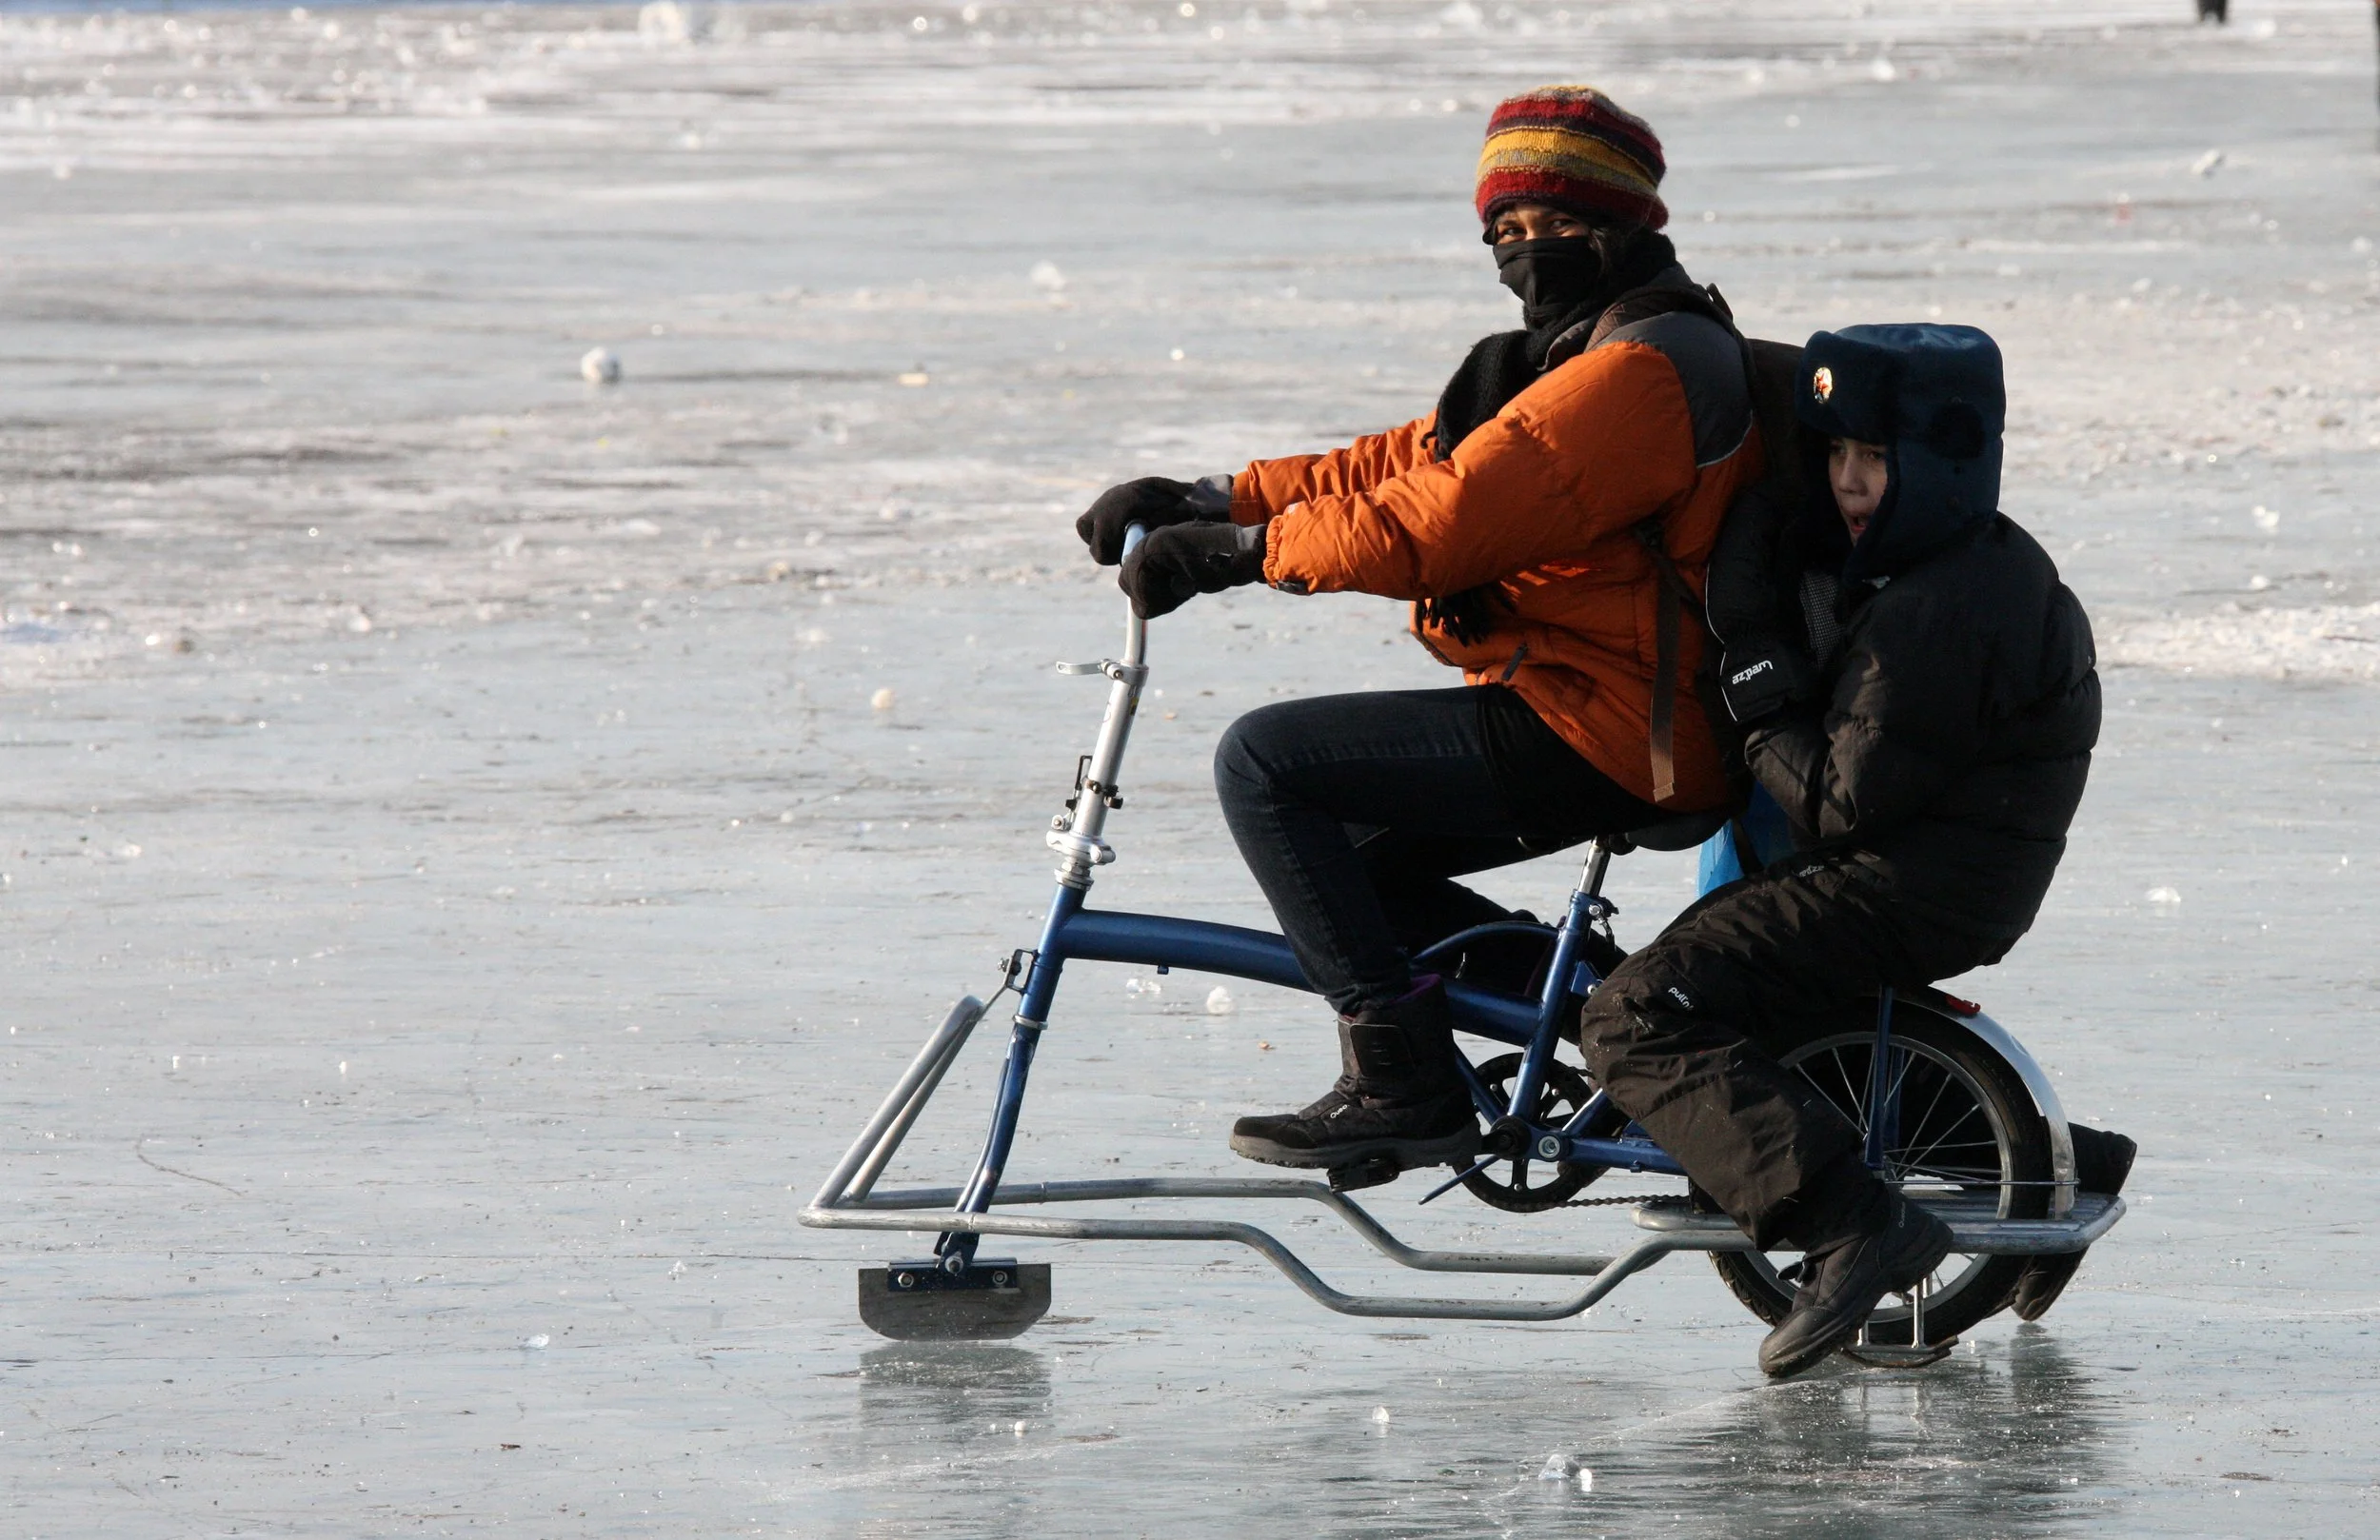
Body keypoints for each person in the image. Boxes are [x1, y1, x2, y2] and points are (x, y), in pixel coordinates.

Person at [1072, 86, 1762, 1177]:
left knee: (1266, 765)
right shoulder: (1576, 352)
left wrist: (1247, 557)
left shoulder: (1636, 375)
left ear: (1629, 224)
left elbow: (1441, 523)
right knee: (1345, 869)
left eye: (1555, 224)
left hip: (1622, 726)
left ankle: (1402, 1078)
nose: (1525, 251)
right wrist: (1216, 496)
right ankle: (1623, 1030)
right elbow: (1404, 463)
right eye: (1504, 231)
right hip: (1599, 702)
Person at [1576, 322, 2112, 1377]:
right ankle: (2055, 1167)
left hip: (1906, 879)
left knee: (1637, 1012)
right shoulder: (1957, 561)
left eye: (1876, 460)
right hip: (1938, 865)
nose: (1851, 483)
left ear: (1940, 464)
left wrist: (1760, 700)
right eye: (1836, 456)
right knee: (1740, 998)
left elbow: (1836, 804)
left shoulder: (1937, 604)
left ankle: (1851, 1224)